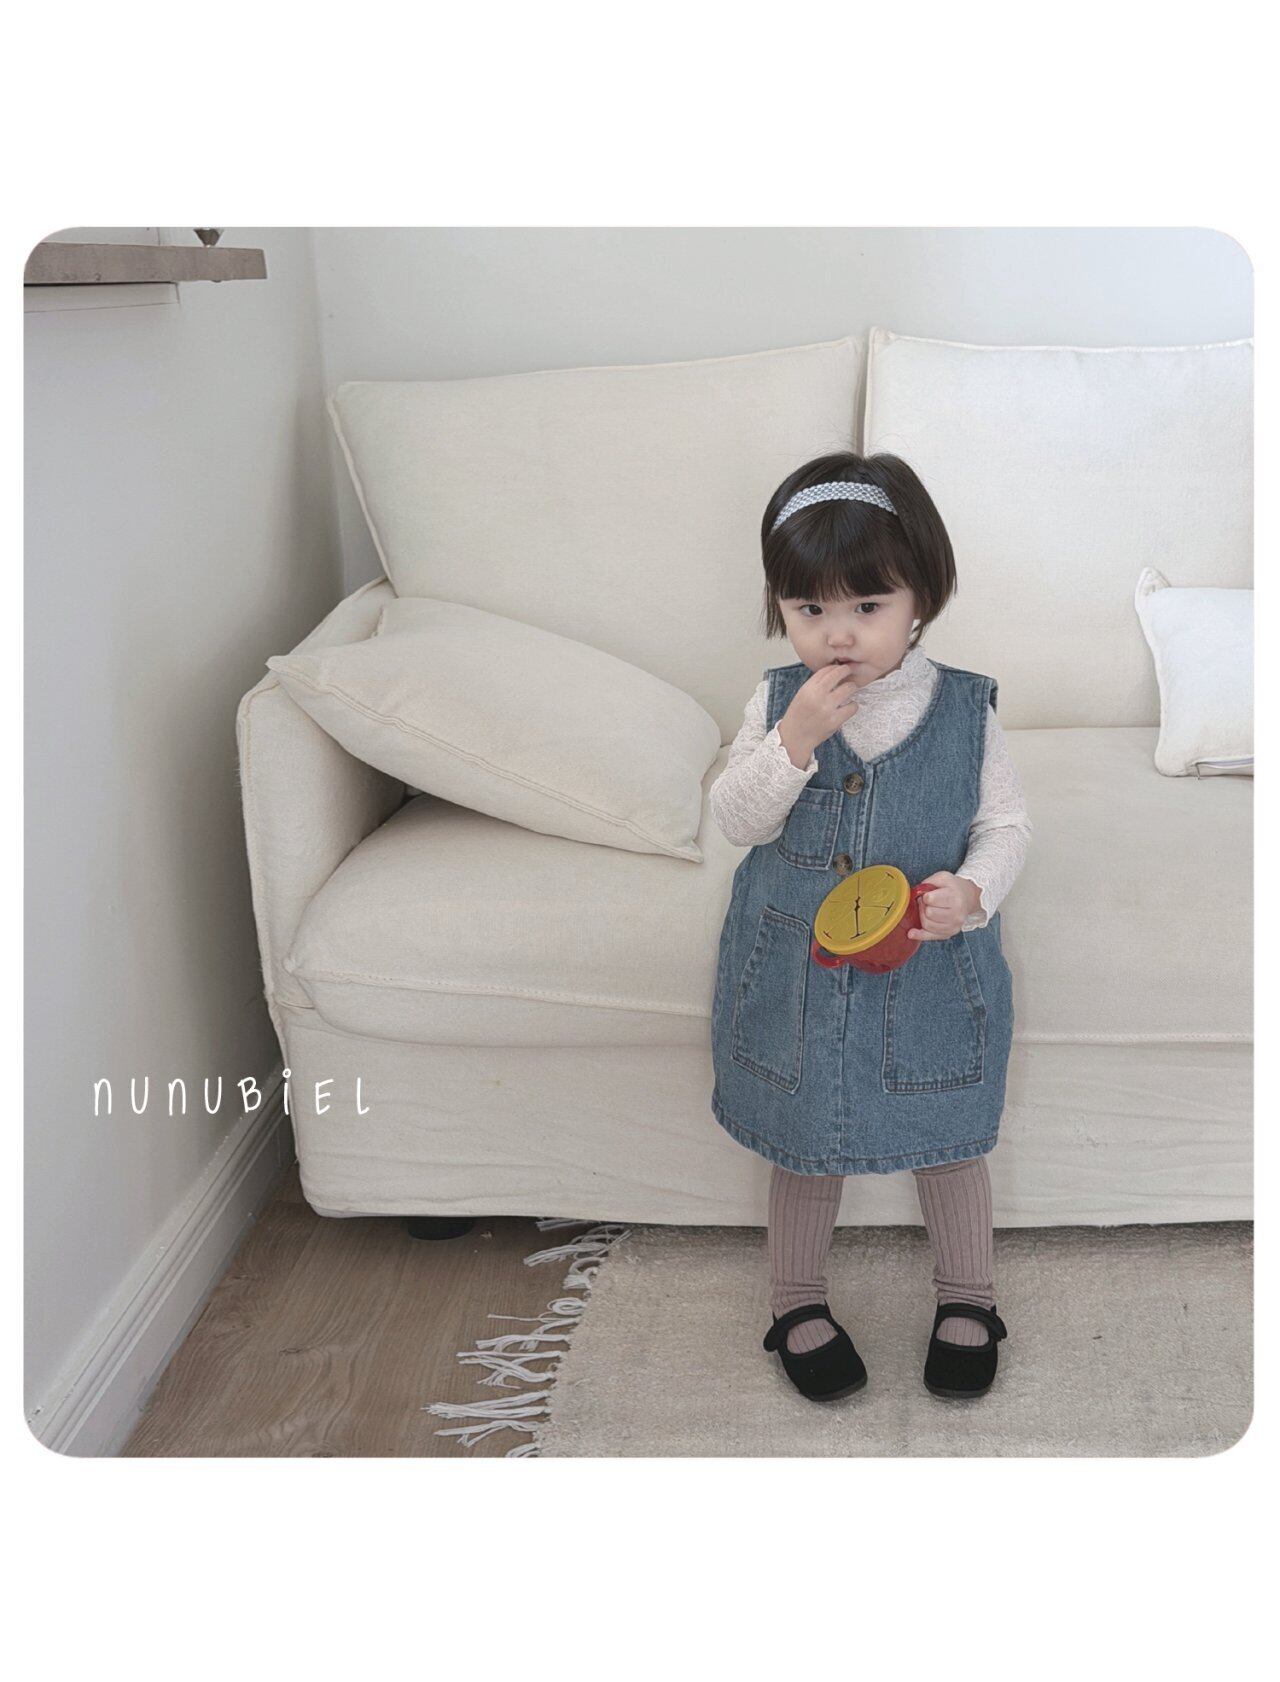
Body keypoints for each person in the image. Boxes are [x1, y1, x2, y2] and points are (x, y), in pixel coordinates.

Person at [708, 451, 1031, 1403]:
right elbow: (736, 820)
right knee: (804, 1141)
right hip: (800, 977)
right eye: (809, 609)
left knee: (950, 1135)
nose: (838, 633)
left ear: (921, 598)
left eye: (867, 605)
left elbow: (1006, 826)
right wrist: (794, 741)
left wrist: (973, 892)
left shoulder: (966, 711)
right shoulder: (778, 703)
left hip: (927, 973)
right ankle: (797, 1301)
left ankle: (968, 1296)